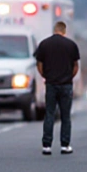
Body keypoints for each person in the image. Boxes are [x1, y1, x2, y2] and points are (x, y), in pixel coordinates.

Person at [34, 21, 81, 155]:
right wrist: (69, 77)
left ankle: (47, 145)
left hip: (51, 84)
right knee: (65, 116)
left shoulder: (44, 44)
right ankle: (65, 145)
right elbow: (75, 66)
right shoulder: (71, 45)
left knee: (49, 114)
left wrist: (45, 76)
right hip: (66, 84)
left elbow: (39, 64)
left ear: (54, 30)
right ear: (64, 31)